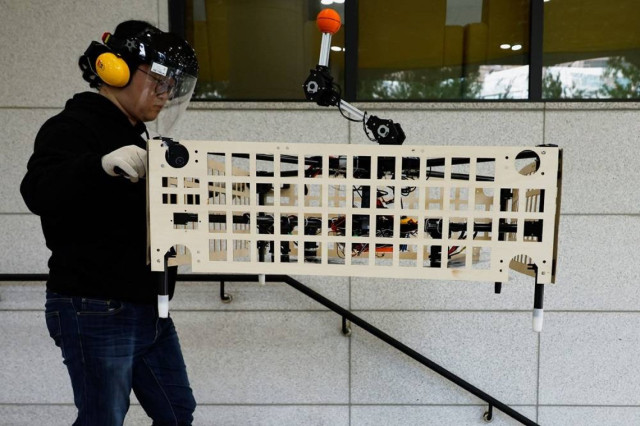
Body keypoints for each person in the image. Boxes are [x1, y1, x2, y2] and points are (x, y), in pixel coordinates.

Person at [20, 20, 199, 425]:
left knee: (177, 411)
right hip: (95, 304)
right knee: (103, 418)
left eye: (171, 85)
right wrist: (98, 167)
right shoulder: (72, 127)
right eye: (157, 81)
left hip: (149, 306)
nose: (165, 94)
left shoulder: (140, 138)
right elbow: (38, 190)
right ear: (114, 69)